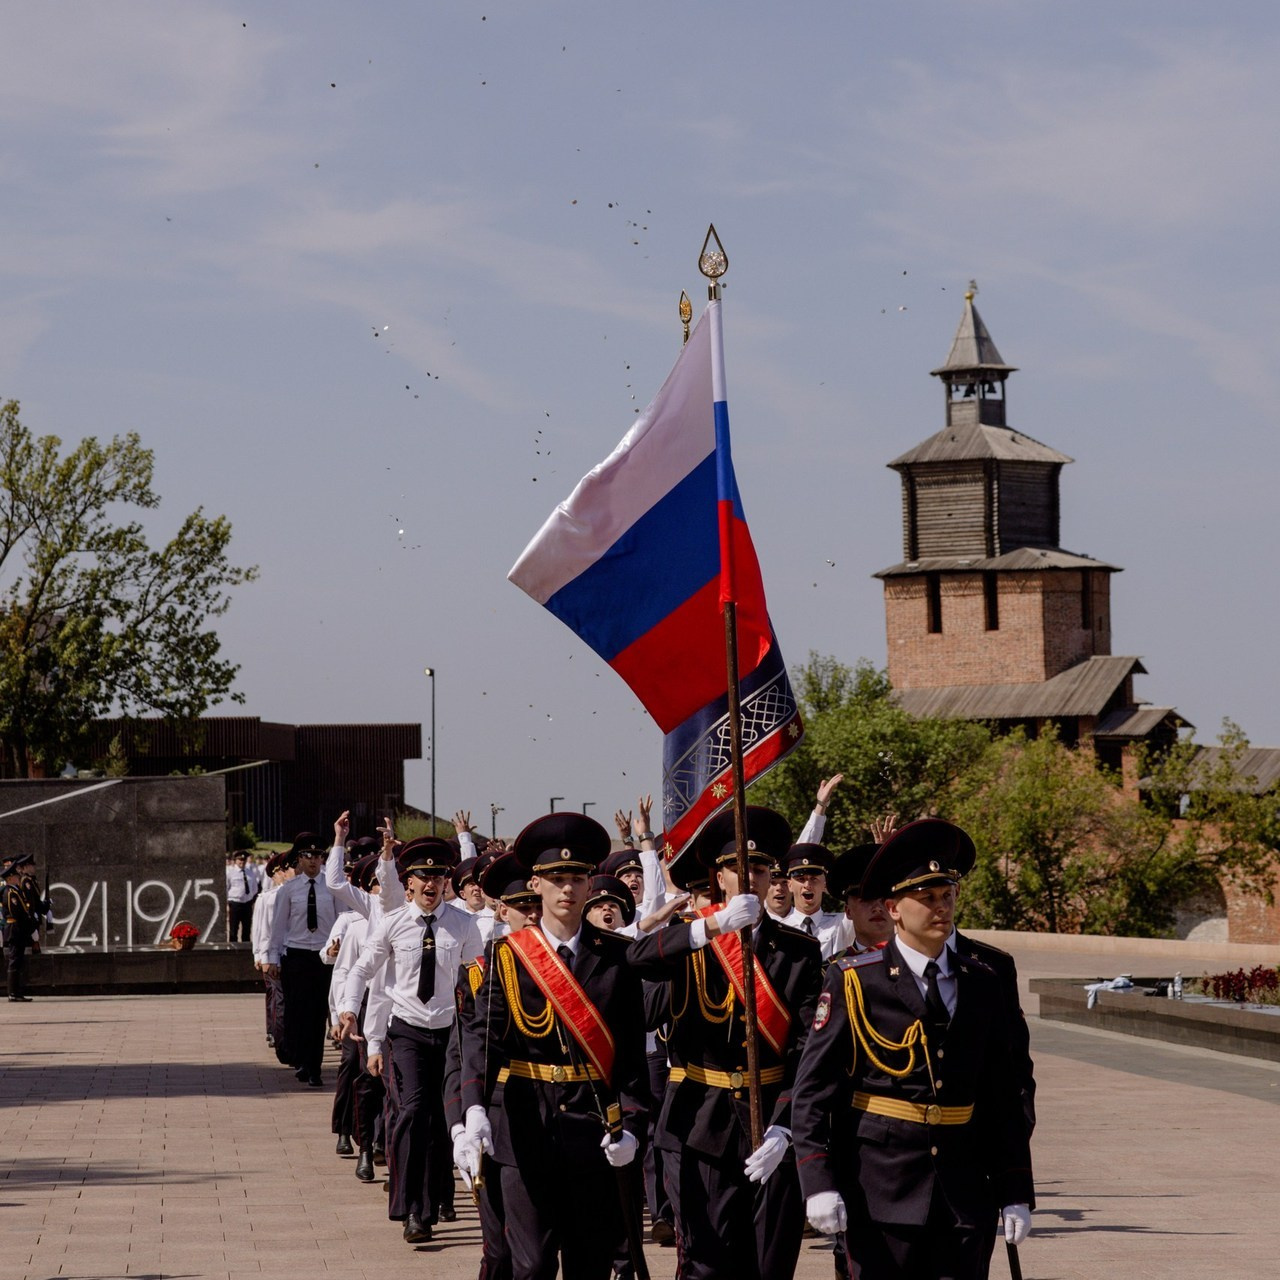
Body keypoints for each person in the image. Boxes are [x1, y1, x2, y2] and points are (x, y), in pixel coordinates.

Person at [792, 819, 1034, 1280]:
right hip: (880, 1191)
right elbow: (813, 1091)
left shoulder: (983, 982)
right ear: (894, 909)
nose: (940, 907)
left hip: (965, 1193)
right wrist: (817, 1180)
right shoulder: (855, 981)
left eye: (947, 895)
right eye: (926, 898)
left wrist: (1015, 1187)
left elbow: (1004, 1095)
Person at [628, 806, 824, 1280]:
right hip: (699, 1123)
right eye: (738, 867)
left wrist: (786, 1127)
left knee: (769, 1265)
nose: (750, 877)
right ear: (719, 877)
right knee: (706, 1265)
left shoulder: (798, 950)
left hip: (770, 1120)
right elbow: (636, 961)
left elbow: (806, 1051)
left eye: (760, 868)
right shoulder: (692, 937)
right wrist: (710, 928)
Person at [457, 812, 648, 1280]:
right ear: (536, 885)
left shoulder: (616, 956)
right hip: (525, 1128)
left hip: (594, 1128)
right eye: (557, 879)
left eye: (577, 878)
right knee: (533, 1265)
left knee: (590, 1263)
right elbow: (483, 1038)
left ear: (589, 884)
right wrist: (474, 1108)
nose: (568, 889)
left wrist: (632, 1124)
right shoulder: (508, 955)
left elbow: (629, 1054)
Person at [338, 834, 483, 1244]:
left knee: (441, 1117)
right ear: (409, 883)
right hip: (407, 1031)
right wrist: (352, 1011)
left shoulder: (465, 925)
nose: (431, 884)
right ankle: (412, 1210)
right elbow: (363, 971)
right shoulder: (393, 923)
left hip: (451, 1034)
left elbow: (477, 980)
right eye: (423, 877)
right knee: (413, 1112)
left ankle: (438, 1199)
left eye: (438, 876)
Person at [265, 833, 338, 1087]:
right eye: (308, 856)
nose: (313, 861)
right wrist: (272, 957)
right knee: (297, 1012)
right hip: (295, 956)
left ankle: (314, 1067)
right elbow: (278, 926)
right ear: (299, 859)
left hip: (323, 957)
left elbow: (342, 922)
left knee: (318, 1013)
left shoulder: (332, 888)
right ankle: (302, 1059)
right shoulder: (289, 890)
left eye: (318, 856)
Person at [781, 844, 846, 959]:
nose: (807, 885)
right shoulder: (780, 930)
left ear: (824, 885)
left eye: (814, 879)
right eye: (801, 879)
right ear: (790, 885)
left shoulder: (841, 923)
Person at [829, 843, 893, 955]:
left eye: (885, 899)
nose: (877, 908)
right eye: (866, 899)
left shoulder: (920, 961)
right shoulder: (836, 966)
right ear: (848, 911)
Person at [2, 857, 39, 1001]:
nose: (19, 877)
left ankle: (16, 992)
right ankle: (12, 993)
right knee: (14, 961)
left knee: (18, 961)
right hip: (14, 929)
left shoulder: (15, 891)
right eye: (16, 876)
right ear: (10, 878)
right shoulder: (10, 893)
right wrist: (30, 926)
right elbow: (17, 913)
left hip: (18, 930)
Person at [226, 849, 261, 943]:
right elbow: (226, 888)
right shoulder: (230, 873)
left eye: (244, 860)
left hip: (247, 904)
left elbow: (254, 888)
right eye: (240, 860)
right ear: (235, 861)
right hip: (235, 903)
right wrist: (227, 903)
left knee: (247, 929)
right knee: (233, 929)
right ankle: (233, 948)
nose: (242, 862)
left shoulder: (250, 872)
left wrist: (250, 899)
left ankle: (245, 949)